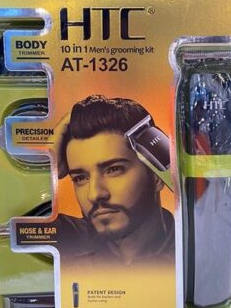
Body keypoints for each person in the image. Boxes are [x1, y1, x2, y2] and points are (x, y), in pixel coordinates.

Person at [56, 95, 174, 266]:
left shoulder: (194, 245)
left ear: (156, 176)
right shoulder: (67, 239)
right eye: (80, 178)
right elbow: (18, 224)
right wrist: (48, 168)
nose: (95, 194)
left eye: (113, 170)